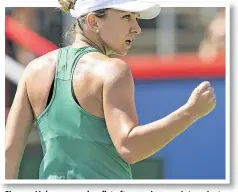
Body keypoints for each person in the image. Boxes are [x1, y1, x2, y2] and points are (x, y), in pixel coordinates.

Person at [5, 0, 216, 179]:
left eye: (136, 18)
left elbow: (8, 154)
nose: (137, 28)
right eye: (127, 17)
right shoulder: (113, 70)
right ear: (93, 21)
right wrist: (190, 112)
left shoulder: (33, 70)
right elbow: (130, 147)